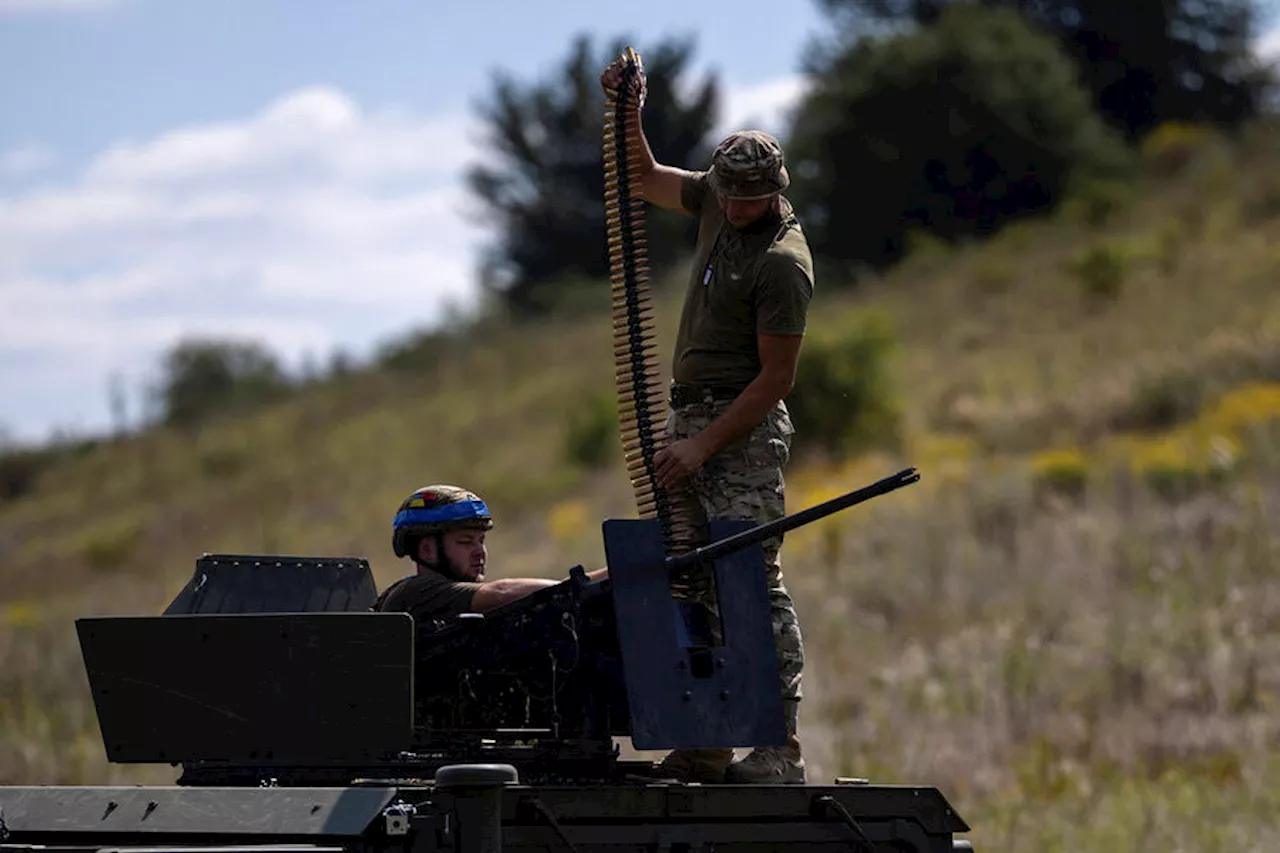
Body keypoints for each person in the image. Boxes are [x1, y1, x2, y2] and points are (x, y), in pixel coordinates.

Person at [600, 56, 814, 785]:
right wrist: (629, 107)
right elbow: (645, 177)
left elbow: (776, 378)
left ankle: (778, 745)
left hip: (740, 432)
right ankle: (708, 734)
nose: (740, 208)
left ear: (774, 191)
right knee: (685, 575)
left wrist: (701, 446)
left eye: (753, 200)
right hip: (689, 418)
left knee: (749, 578)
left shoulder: (782, 264)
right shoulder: (720, 200)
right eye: (732, 196)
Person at [374, 485, 606, 621]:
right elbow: (501, 592)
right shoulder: (415, 593)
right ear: (426, 550)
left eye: (481, 541)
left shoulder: (450, 602)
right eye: (465, 542)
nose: (480, 552)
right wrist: (591, 582)